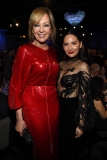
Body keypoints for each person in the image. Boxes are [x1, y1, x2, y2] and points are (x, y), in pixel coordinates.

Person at [8, 7, 60, 160]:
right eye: (37, 25)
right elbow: (16, 85)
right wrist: (19, 118)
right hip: (32, 104)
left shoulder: (53, 51)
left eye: (46, 25)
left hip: (54, 104)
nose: (41, 30)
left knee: (53, 143)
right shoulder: (25, 50)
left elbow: (54, 79)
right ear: (32, 28)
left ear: (52, 28)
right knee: (41, 145)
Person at [57, 28, 96, 159]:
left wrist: (81, 124)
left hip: (72, 112)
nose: (70, 47)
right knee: (59, 148)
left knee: (70, 150)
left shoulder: (82, 66)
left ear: (80, 44)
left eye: (74, 43)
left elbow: (84, 97)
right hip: (58, 109)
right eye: (66, 44)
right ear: (62, 46)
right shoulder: (60, 64)